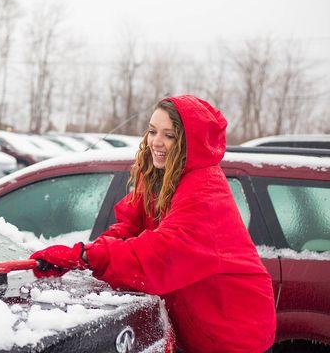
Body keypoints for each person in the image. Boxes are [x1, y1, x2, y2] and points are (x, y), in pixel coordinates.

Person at [29, 95, 276, 353]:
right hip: (198, 329)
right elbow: (128, 227)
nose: (156, 142)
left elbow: (160, 254)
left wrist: (86, 256)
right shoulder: (161, 177)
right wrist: (85, 255)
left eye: (169, 135)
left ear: (188, 142)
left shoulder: (205, 190)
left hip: (235, 333)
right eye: (152, 131)